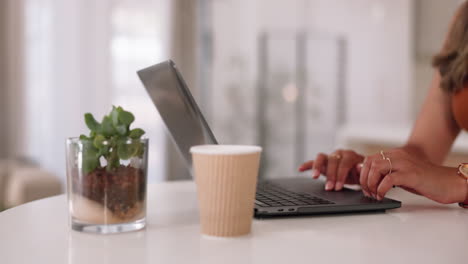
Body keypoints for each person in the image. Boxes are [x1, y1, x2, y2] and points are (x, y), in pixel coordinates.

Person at [299, 2, 468, 207]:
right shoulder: (463, 20)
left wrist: (459, 182)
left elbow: (440, 176)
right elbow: (423, 151)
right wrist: (376, 168)